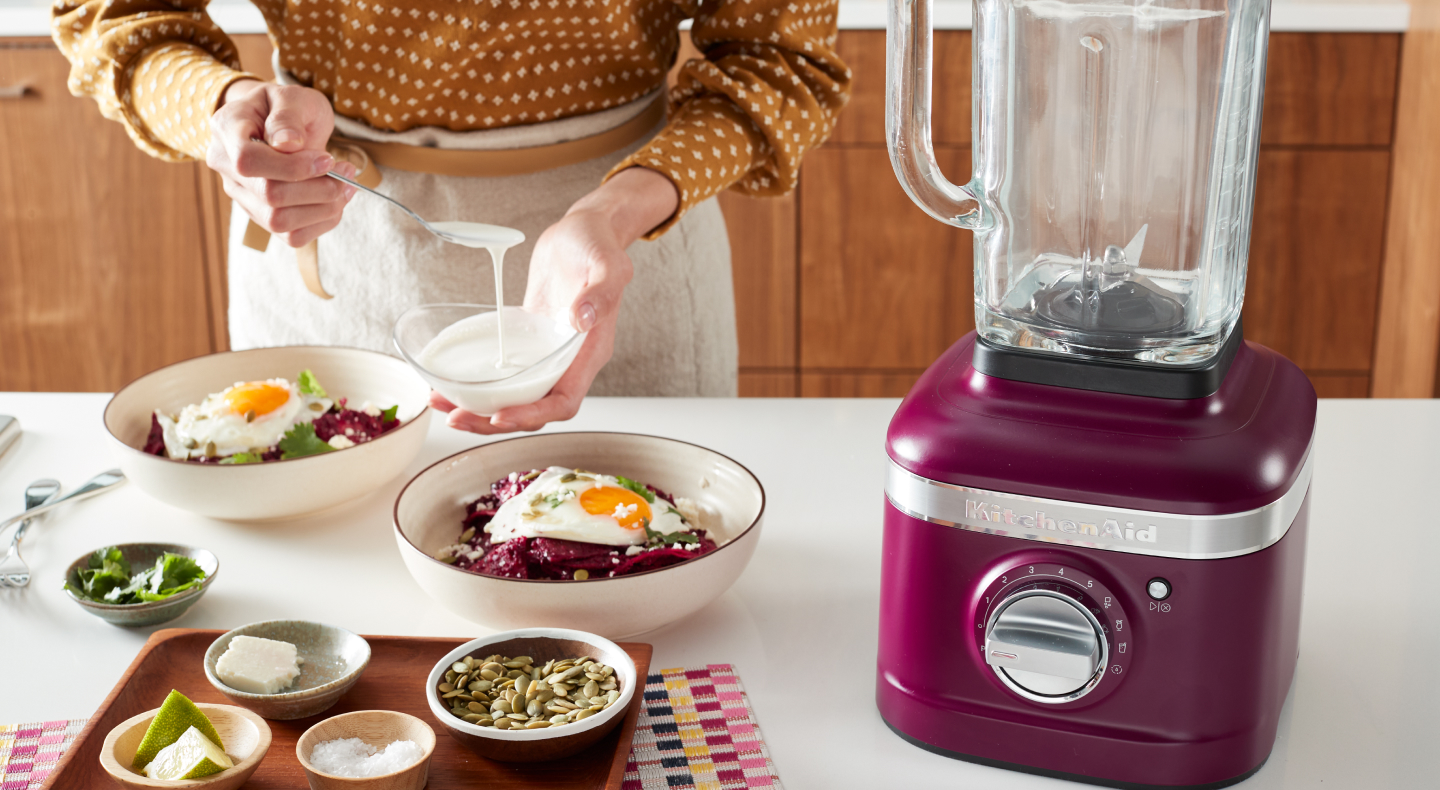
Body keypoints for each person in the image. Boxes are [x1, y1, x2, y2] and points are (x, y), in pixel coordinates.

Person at [53, 0, 850, 433]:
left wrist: (617, 209)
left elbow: (776, 57)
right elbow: (120, 14)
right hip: (329, 229)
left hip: (617, 239)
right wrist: (226, 112)